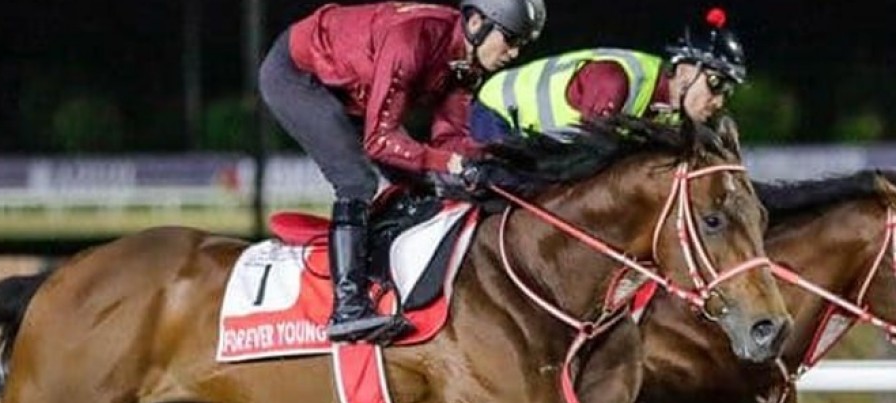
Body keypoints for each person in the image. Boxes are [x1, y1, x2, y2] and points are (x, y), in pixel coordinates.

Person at [259, 0, 546, 344]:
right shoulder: (413, 41)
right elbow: (380, 141)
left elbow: (451, 141)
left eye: (521, 46)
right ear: (475, 24)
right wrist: (451, 164)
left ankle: (389, 275)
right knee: (357, 180)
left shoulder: (466, 65)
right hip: (298, 76)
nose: (513, 54)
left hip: (352, 86)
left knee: (422, 180)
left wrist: (497, 168)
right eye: (510, 39)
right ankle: (347, 307)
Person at [470, 7, 745, 142]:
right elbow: (585, 166)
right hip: (499, 112)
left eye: (728, 91)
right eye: (715, 83)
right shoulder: (616, 81)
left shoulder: (673, 113)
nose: (719, 101)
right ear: (685, 71)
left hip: (541, 139)